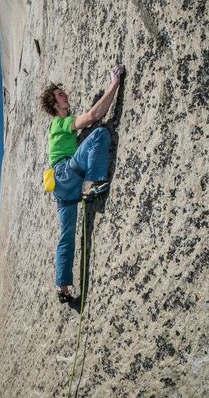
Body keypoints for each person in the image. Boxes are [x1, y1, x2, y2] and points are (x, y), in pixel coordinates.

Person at [40, 64, 125, 303]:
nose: (65, 95)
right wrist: (114, 83)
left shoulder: (59, 128)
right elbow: (94, 116)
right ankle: (93, 183)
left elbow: (90, 117)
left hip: (61, 187)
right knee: (100, 134)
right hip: (66, 174)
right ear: (54, 104)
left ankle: (63, 287)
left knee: (66, 236)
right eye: (60, 94)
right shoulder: (60, 123)